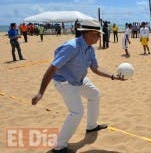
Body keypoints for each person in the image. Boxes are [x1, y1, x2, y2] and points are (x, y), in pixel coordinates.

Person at [31, 20, 124, 153]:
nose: (100, 37)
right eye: (98, 34)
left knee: (94, 94)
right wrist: (40, 93)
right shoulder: (71, 47)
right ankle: (59, 147)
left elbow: (95, 68)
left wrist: (113, 76)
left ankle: (91, 126)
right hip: (64, 82)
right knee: (76, 112)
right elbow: (52, 69)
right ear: (88, 33)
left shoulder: (90, 49)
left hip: (79, 80)